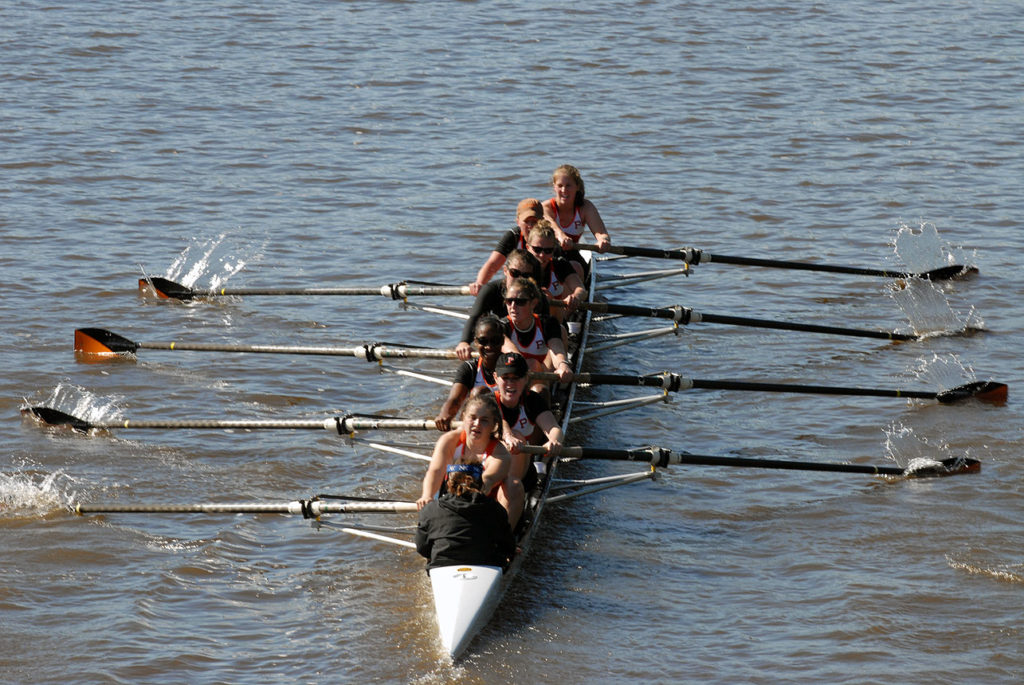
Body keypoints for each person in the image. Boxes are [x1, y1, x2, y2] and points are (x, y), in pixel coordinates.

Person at [492, 352, 563, 529]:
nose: (510, 384)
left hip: (521, 474)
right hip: (491, 472)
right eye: (505, 378)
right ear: (495, 378)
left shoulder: (532, 401)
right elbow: (498, 423)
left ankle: (504, 527)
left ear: (526, 379)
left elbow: (554, 427)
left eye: (516, 378)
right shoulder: (488, 401)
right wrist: (506, 435)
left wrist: (554, 441)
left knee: (517, 438)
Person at [418, 391, 514, 517]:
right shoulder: (449, 440)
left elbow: (487, 481)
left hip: (483, 500)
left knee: (514, 485)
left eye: (484, 420)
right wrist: (427, 496)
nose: (477, 424)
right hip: (451, 497)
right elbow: (435, 471)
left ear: (493, 425)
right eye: (472, 418)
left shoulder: (501, 453)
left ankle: (505, 533)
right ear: (463, 418)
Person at [456, 248, 545, 361]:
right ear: (505, 271)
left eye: (526, 275)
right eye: (515, 273)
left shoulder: (536, 296)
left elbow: (544, 327)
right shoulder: (490, 290)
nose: (519, 279)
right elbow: (474, 317)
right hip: (499, 339)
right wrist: (464, 342)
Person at [414, 471, 515, 570]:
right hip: (487, 566)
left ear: (448, 483)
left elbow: (421, 547)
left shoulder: (430, 509)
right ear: (480, 483)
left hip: (441, 566)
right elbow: (508, 547)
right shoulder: (495, 508)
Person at [435, 315, 504, 431]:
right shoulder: (470, 368)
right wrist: (445, 414)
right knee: (479, 393)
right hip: (477, 424)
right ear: (476, 342)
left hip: (503, 422)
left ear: (502, 341)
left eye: (495, 341)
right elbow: (455, 400)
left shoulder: (511, 364)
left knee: (481, 392)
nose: (489, 346)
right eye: (483, 341)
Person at [500, 276, 572, 385]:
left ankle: (554, 386)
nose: (513, 306)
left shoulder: (547, 323)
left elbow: (556, 348)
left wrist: (562, 364)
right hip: (516, 374)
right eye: (509, 301)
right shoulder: (502, 326)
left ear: (533, 303)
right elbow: (512, 352)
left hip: (544, 371)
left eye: (520, 301)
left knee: (561, 331)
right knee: (530, 364)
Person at [543, 165, 611, 276]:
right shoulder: (546, 208)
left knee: (576, 267)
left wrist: (603, 240)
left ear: (577, 187)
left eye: (568, 185)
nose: (564, 190)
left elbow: (601, 233)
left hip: (572, 254)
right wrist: (562, 237)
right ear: (554, 187)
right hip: (547, 255)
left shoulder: (586, 207)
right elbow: (553, 228)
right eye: (560, 186)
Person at [468, 198, 544, 295]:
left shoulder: (549, 239)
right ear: (518, 222)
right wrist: (479, 283)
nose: (530, 226)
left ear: (542, 222)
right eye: (526, 221)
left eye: (534, 221)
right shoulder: (513, 237)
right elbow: (493, 264)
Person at [525, 220, 588, 318]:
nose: (542, 255)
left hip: (555, 318)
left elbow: (581, 290)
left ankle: (570, 318)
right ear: (528, 247)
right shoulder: (519, 268)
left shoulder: (559, 264)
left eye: (548, 250)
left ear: (554, 250)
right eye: (537, 249)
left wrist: (574, 298)